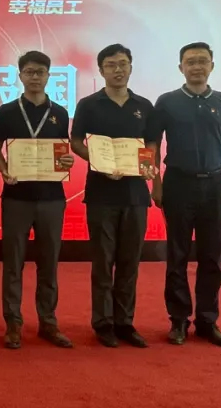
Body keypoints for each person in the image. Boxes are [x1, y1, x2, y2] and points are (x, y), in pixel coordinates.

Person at [150, 42, 221, 348]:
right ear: (181, 68)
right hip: (177, 183)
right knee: (177, 254)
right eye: (190, 62)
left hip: (214, 184)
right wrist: (155, 183)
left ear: (212, 66)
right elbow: (153, 145)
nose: (197, 66)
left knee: (212, 256)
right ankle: (178, 320)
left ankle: (207, 320)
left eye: (203, 61)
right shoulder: (166, 102)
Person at [70, 44, 157, 349]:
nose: (117, 70)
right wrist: (98, 162)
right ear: (101, 70)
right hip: (101, 193)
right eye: (111, 65)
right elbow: (76, 142)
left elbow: (151, 143)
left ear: (131, 67)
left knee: (130, 262)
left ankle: (125, 323)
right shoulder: (88, 105)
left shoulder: (144, 106)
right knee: (103, 262)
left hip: (135, 195)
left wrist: (147, 164)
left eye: (122, 64)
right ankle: (103, 323)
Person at [0, 51, 75, 350]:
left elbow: (63, 153)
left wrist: (67, 161)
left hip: (52, 198)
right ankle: (13, 323)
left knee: (49, 262)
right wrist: (3, 170)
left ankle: (48, 321)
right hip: (17, 197)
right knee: (13, 263)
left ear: (49, 76)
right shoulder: (7, 111)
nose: (35, 77)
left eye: (40, 72)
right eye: (29, 72)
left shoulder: (60, 112)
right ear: (20, 76)